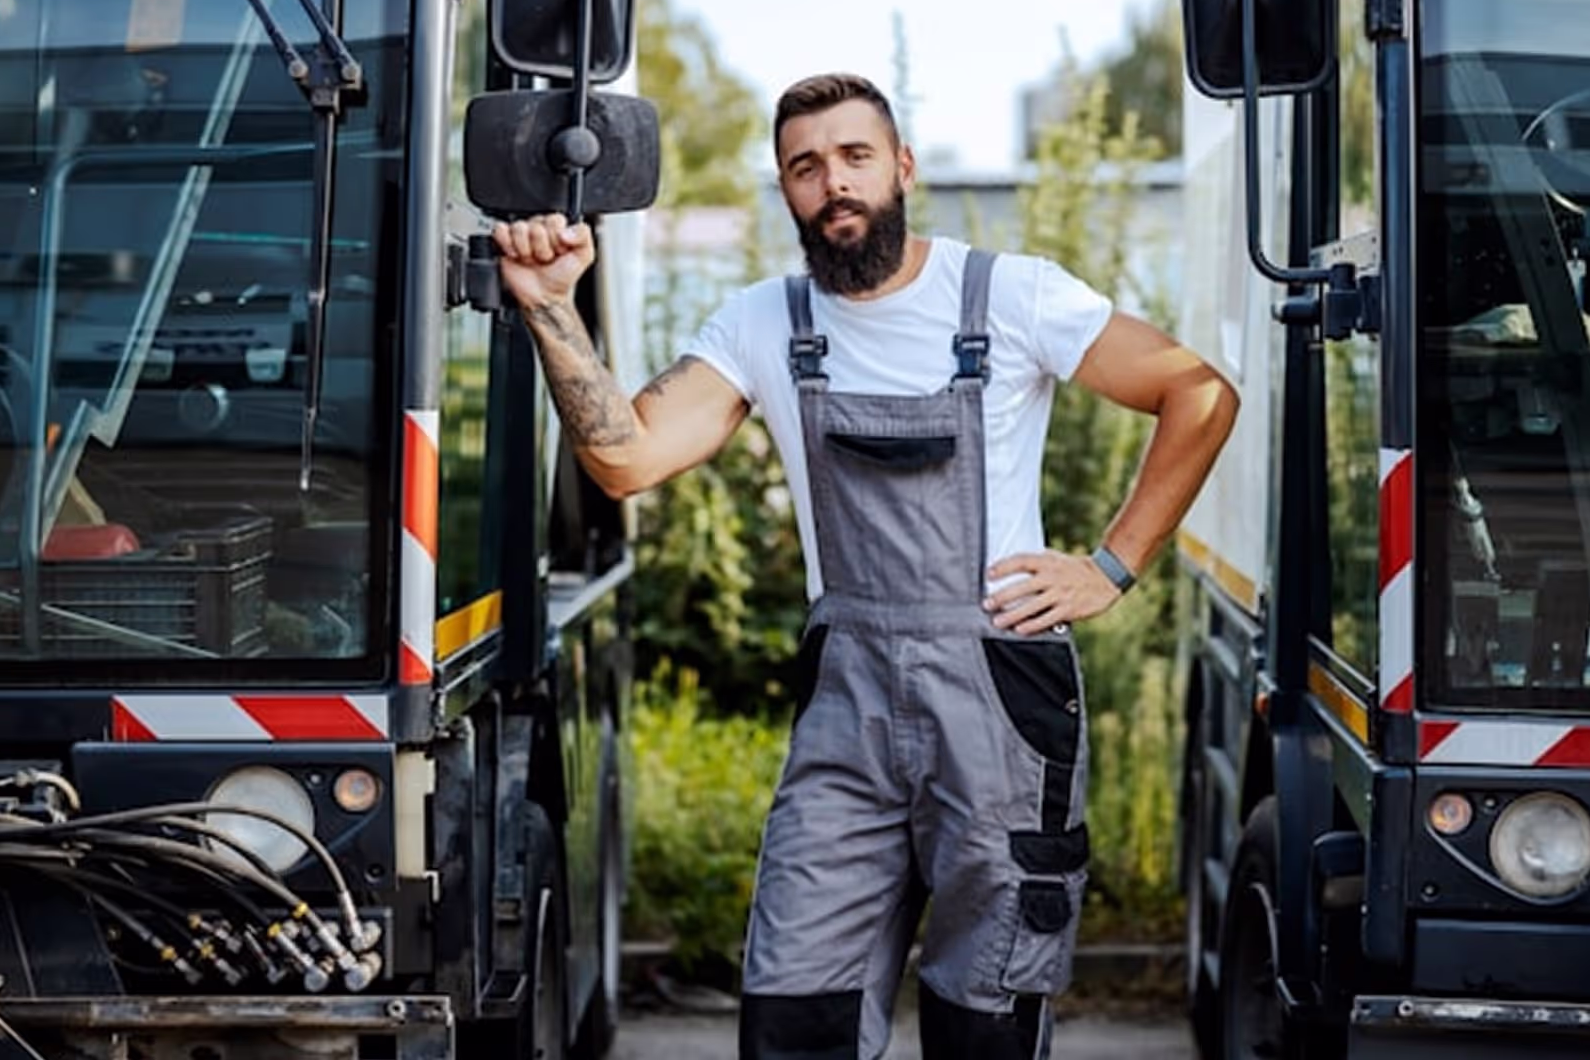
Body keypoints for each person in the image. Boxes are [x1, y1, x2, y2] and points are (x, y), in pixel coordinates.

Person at [493, 73, 1238, 1059]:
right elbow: (624, 458)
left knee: (987, 1018)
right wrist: (552, 305)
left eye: (854, 157)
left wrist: (1111, 565)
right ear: (787, 190)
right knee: (796, 1009)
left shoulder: (1009, 296)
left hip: (1001, 700)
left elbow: (1199, 393)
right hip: (849, 703)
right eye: (806, 167)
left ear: (902, 168)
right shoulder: (767, 324)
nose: (833, 183)